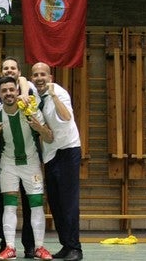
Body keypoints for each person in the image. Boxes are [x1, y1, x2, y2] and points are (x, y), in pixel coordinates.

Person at [0, 77, 53, 261]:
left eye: (11, 90)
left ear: (17, 92)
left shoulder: (29, 109)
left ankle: (39, 247)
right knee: (9, 205)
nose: (8, 93)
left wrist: (39, 128)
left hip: (31, 164)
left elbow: (49, 138)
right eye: (4, 91)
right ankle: (10, 248)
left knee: (36, 204)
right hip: (8, 164)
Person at [30, 62, 83, 261]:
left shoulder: (59, 93)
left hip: (68, 150)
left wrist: (52, 95)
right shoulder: (34, 96)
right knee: (55, 202)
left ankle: (75, 247)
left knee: (69, 201)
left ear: (50, 77)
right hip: (51, 152)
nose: (39, 78)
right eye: (35, 75)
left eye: (43, 74)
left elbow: (67, 117)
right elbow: (21, 81)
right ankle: (65, 244)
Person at [0, 56, 35, 258]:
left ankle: (30, 245)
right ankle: (4, 244)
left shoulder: (27, 94)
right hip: (2, 156)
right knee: (1, 201)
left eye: (13, 68)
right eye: (5, 68)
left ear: (19, 73)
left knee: (30, 202)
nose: (9, 71)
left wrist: (24, 91)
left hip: (27, 156)